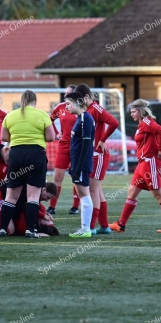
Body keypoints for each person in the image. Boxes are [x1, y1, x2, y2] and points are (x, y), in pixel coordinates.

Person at [111, 100, 161, 233]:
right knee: (132, 192)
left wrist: (160, 150)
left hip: (150, 163)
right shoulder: (142, 123)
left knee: (158, 193)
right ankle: (120, 224)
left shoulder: (147, 122)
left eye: (134, 111)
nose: (132, 114)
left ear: (141, 111)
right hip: (142, 163)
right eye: (131, 112)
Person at [0, 90, 55, 237]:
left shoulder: (10, 115)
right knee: (33, 196)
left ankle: (2, 229)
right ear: (34, 102)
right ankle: (31, 230)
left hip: (16, 154)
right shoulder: (42, 115)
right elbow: (51, 137)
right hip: (36, 155)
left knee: (11, 196)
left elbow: (3, 136)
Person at [76, 84, 119, 235]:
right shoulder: (87, 111)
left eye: (80, 100)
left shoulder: (96, 109)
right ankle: (104, 226)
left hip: (98, 155)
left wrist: (102, 139)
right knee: (98, 192)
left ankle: (91, 227)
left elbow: (114, 122)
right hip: (92, 155)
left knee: (93, 191)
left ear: (86, 97)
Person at [65, 92, 95, 238]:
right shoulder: (80, 118)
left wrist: (78, 166)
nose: (66, 107)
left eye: (68, 104)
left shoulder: (85, 117)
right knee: (83, 194)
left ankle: (86, 229)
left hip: (81, 164)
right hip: (77, 163)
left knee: (84, 195)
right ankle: (85, 228)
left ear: (77, 102)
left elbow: (86, 143)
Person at [48, 85, 81, 215]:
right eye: (65, 93)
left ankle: (75, 206)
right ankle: (52, 206)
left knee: (76, 177)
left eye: (69, 93)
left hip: (77, 146)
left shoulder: (80, 108)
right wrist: (56, 133)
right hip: (63, 145)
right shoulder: (61, 107)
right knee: (57, 177)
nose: (66, 95)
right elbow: (49, 120)